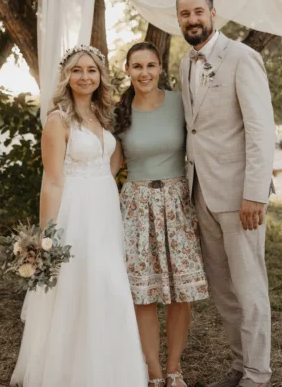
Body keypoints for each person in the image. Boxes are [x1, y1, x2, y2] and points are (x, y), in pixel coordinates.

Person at [11, 45, 147, 387]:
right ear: (67, 77)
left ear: (100, 76)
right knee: (77, 287)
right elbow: (53, 182)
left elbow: (112, 160)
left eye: (91, 70)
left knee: (109, 285)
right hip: (76, 212)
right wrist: (46, 236)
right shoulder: (58, 121)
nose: (84, 76)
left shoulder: (104, 117)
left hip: (105, 208)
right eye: (77, 70)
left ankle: (111, 369)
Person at [176, 0, 275, 387]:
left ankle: (258, 373)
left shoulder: (242, 58)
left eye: (198, 12)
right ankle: (240, 364)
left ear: (214, 13)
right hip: (201, 191)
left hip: (239, 196)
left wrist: (254, 193)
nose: (192, 20)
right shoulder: (185, 64)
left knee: (249, 285)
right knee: (223, 288)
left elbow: (260, 129)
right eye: (184, 15)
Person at [115, 42, 209, 387]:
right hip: (136, 207)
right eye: (137, 66)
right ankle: (153, 372)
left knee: (180, 291)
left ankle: (174, 369)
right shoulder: (118, 113)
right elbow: (111, 166)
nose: (145, 73)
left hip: (177, 203)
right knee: (144, 292)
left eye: (151, 66)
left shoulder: (178, 103)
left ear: (160, 69)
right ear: (127, 70)